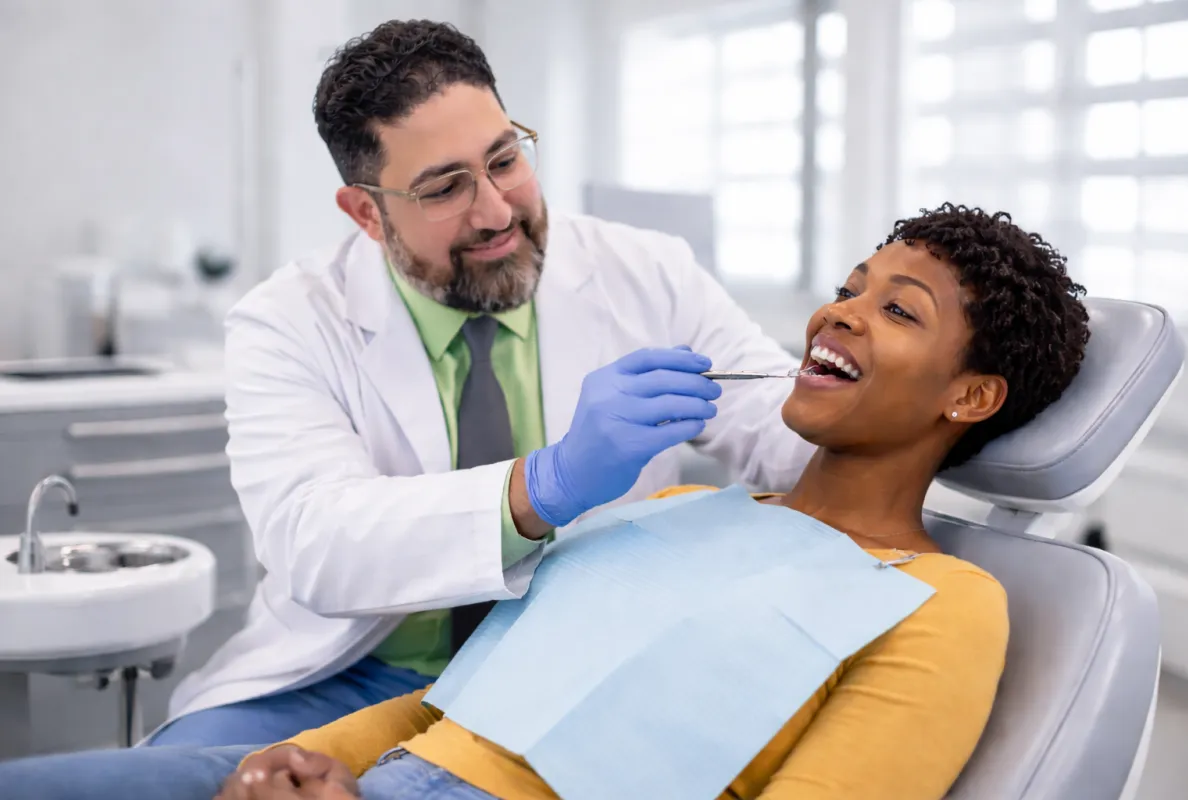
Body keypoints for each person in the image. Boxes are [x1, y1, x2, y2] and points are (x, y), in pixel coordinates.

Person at [0, 203, 1091, 800]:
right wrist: (306, 762)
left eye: (894, 308)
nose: (838, 312)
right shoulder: (667, 508)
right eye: (849, 283)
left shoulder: (945, 604)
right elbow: (451, 708)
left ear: (973, 394)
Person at [152, 19, 816, 747]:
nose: (497, 211)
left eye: (505, 160)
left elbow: (779, 421)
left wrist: (928, 411)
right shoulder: (287, 322)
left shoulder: (650, 273)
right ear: (367, 213)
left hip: (579, 663)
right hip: (350, 674)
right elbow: (315, 543)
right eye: (444, 188)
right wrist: (544, 484)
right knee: (192, 775)